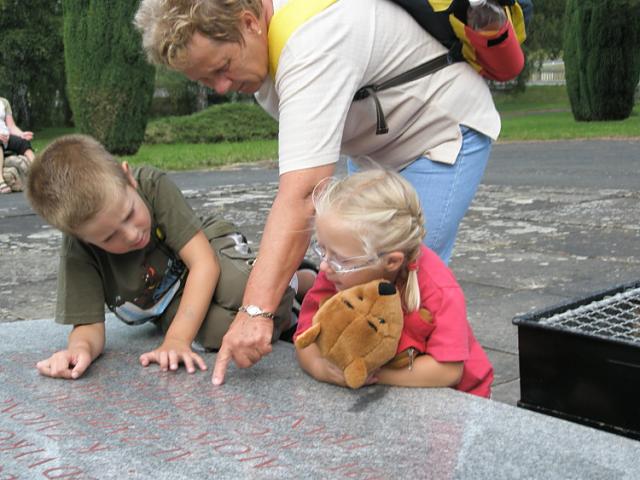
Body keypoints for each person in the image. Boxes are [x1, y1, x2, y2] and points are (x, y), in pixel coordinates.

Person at [134, 0, 500, 384]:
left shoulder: (311, 42)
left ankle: (430, 382)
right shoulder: (262, 42)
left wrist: (255, 311)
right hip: (375, 145)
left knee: (406, 277)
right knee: (350, 265)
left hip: (437, 130)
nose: (223, 88)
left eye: (223, 67)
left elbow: (304, 193)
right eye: (206, 81)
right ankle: (359, 360)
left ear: (248, 22)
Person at [25, 134, 298, 381]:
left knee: (244, 287)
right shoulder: (79, 250)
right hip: (172, 303)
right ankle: (290, 312)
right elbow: (89, 327)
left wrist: (178, 339)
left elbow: (204, 265)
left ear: (129, 178)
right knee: (222, 334)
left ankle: (299, 279)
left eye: (130, 213)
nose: (131, 234)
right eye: (109, 238)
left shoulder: (152, 186)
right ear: (83, 238)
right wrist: (78, 350)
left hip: (209, 252)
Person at [294, 169, 493, 397]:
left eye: (340, 258)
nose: (324, 266)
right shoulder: (336, 273)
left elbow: (447, 371)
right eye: (321, 250)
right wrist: (320, 368)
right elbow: (305, 338)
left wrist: (370, 376)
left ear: (391, 262)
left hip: (457, 398)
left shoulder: (438, 288)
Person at [1, 96, 35, 194]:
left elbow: (11, 126)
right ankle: (1, 181)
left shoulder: (4, 102)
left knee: (24, 143)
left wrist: (21, 134)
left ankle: (39, 172)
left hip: (6, 136)